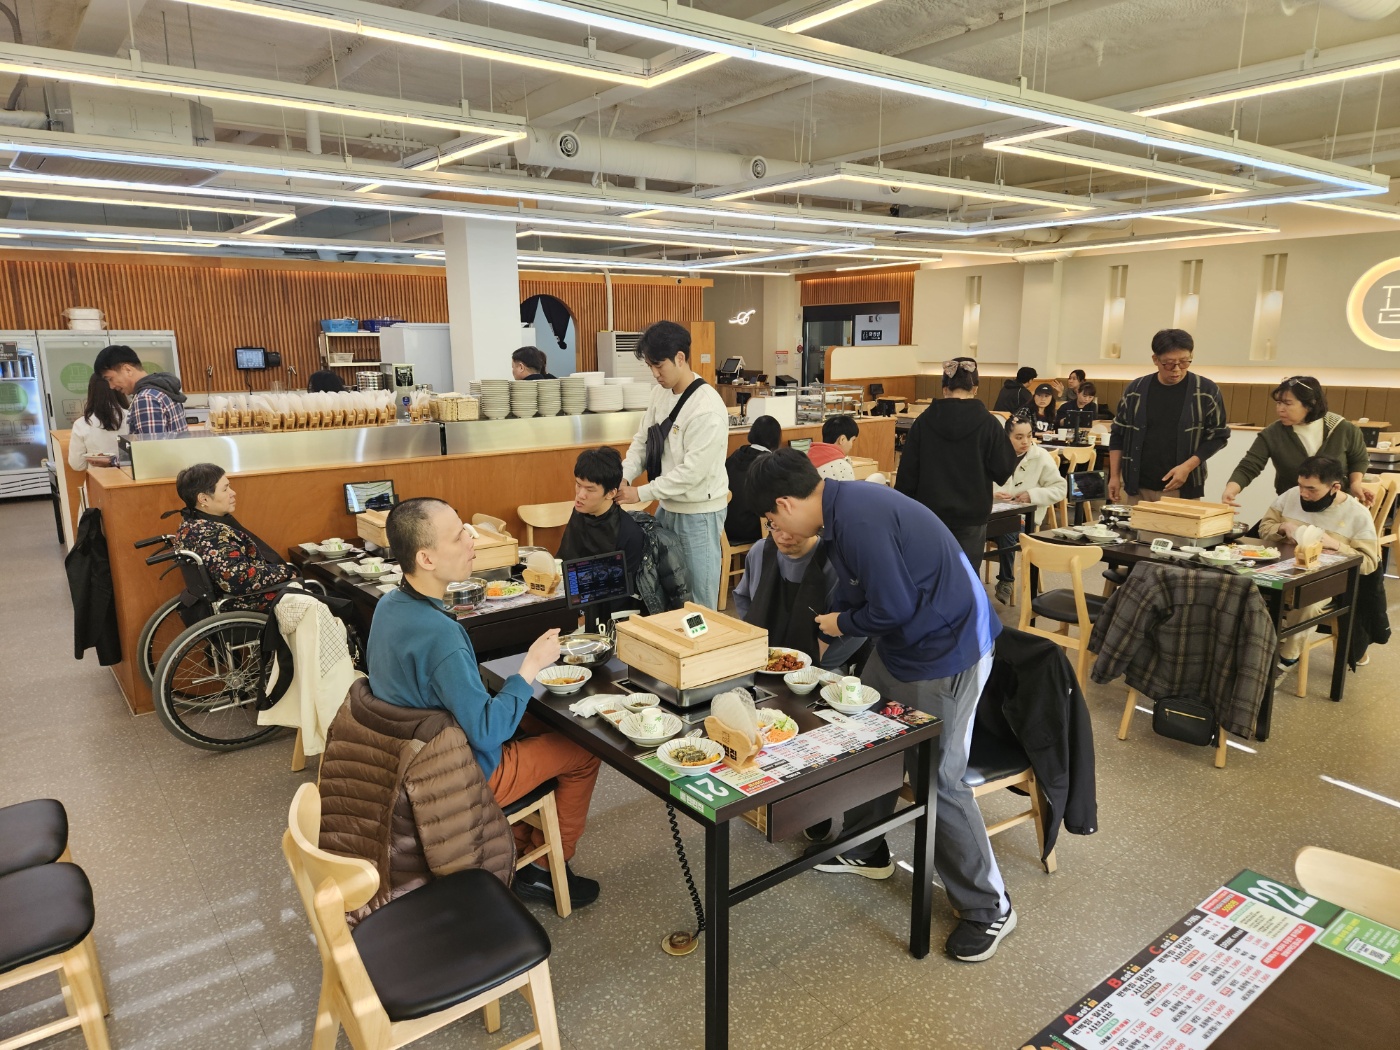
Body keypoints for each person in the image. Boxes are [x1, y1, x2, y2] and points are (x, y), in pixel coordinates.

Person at [747, 450, 1015, 963]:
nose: (775, 529)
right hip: (903, 647)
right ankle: (865, 845)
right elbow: (867, 591)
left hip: (948, 651)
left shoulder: (860, 519)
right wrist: (833, 633)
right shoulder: (840, 510)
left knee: (939, 780)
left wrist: (840, 625)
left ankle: (989, 906)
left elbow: (893, 606)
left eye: (771, 519)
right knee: (864, 740)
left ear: (785, 503)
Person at [367, 497, 602, 906]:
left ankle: (520, 842)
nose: (471, 541)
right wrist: (532, 664)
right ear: (426, 558)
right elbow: (489, 733)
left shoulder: (389, 605)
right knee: (584, 750)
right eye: (459, 535)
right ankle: (545, 871)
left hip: (408, 760)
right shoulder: (440, 635)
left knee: (539, 723)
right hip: (454, 776)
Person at [617, 320, 730, 609]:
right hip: (667, 507)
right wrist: (625, 476)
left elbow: (691, 474)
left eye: (659, 366)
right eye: (650, 366)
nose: (655, 374)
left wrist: (639, 493)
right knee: (666, 594)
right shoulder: (660, 393)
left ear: (680, 358)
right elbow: (643, 441)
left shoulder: (706, 408)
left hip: (699, 514)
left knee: (698, 600)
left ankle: (705, 640)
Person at [1257, 456, 1379, 681]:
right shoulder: (1291, 496)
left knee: (1308, 601)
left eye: (1311, 489)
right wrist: (1282, 527)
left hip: (1327, 581)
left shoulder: (1357, 514)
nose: (1303, 494)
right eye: (1301, 486)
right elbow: (1264, 528)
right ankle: (1254, 650)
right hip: (1285, 569)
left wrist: (1337, 545)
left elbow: (1370, 562)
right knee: (1244, 586)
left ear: (1335, 487)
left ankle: (1287, 659)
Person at [895, 357, 1017, 566]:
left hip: (929, 514)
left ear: (944, 389)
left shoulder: (923, 421)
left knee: (931, 573)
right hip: (972, 514)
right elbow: (1003, 469)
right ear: (975, 389)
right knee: (966, 575)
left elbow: (907, 474)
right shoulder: (989, 423)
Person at [1107, 329, 1227, 504]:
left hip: (1183, 488)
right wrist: (1114, 476)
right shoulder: (1135, 390)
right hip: (1137, 487)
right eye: (1169, 364)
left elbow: (1218, 436)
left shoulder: (1206, 391)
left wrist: (1187, 467)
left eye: (1184, 362)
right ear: (1155, 359)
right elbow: (1118, 434)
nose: (1177, 369)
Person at [732, 522, 867, 672]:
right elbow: (743, 598)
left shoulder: (838, 562)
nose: (784, 536)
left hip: (818, 666)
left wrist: (817, 663)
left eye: (794, 527)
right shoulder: (760, 552)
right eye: (775, 525)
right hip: (760, 661)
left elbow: (859, 627)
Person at [1222, 377, 1371, 508]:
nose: (1280, 409)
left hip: (1337, 505)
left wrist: (1355, 483)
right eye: (1278, 403)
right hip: (1293, 506)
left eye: (1287, 403)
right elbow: (1249, 465)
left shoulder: (1343, 428)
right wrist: (1231, 490)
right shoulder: (1273, 433)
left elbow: (1359, 460)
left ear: (1310, 404)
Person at [173, 463, 295, 611]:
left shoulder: (189, 526)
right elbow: (238, 579)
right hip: (242, 602)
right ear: (203, 499)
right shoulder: (213, 534)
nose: (233, 493)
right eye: (225, 489)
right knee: (312, 592)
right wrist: (284, 571)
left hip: (226, 597)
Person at [557, 447, 648, 624]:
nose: (580, 495)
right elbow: (565, 561)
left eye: (590, 489)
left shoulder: (628, 533)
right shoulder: (580, 513)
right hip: (574, 604)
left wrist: (581, 616)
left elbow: (619, 596)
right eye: (578, 485)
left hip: (610, 618)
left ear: (611, 493)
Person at [991, 414, 1066, 605]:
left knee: (1008, 529)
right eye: (1019, 437)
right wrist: (993, 494)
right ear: (1006, 437)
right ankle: (968, 583)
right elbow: (977, 483)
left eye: (1029, 435)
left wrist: (1032, 495)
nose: (1025, 441)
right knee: (969, 530)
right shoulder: (994, 454)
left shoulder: (1040, 457)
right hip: (993, 514)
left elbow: (1060, 489)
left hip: (1026, 518)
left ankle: (1006, 580)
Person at [93, 344, 188, 435]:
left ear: (127, 370)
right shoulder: (162, 388)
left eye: (110, 379)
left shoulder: (146, 398)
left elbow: (150, 444)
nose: (111, 386)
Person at [724, 414, 781, 544]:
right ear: (776, 438)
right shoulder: (769, 464)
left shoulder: (732, 458)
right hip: (754, 529)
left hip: (725, 526)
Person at [67, 373, 128, 472]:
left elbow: (77, 465)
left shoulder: (82, 423)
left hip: (97, 479)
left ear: (91, 392)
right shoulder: (131, 417)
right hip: (129, 478)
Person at [808, 414, 860, 480]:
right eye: (853, 440)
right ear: (842, 439)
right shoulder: (842, 466)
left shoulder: (806, 460)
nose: (851, 445)